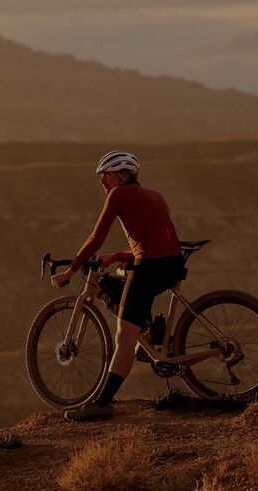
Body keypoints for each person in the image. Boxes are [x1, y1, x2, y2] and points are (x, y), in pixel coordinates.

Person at [51, 150, 184, 421]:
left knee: (123, 337)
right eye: (100, 176)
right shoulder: (156, 195)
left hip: (150, 269)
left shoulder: (118, 195)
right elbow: (149, 242)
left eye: (106, 175)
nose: (102, 181)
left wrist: (71, 270)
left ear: (124, 174)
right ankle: (151, 332)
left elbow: (96, 237)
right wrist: (117, 257)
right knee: (124, 279)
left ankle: (102, 404)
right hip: (172, 265)